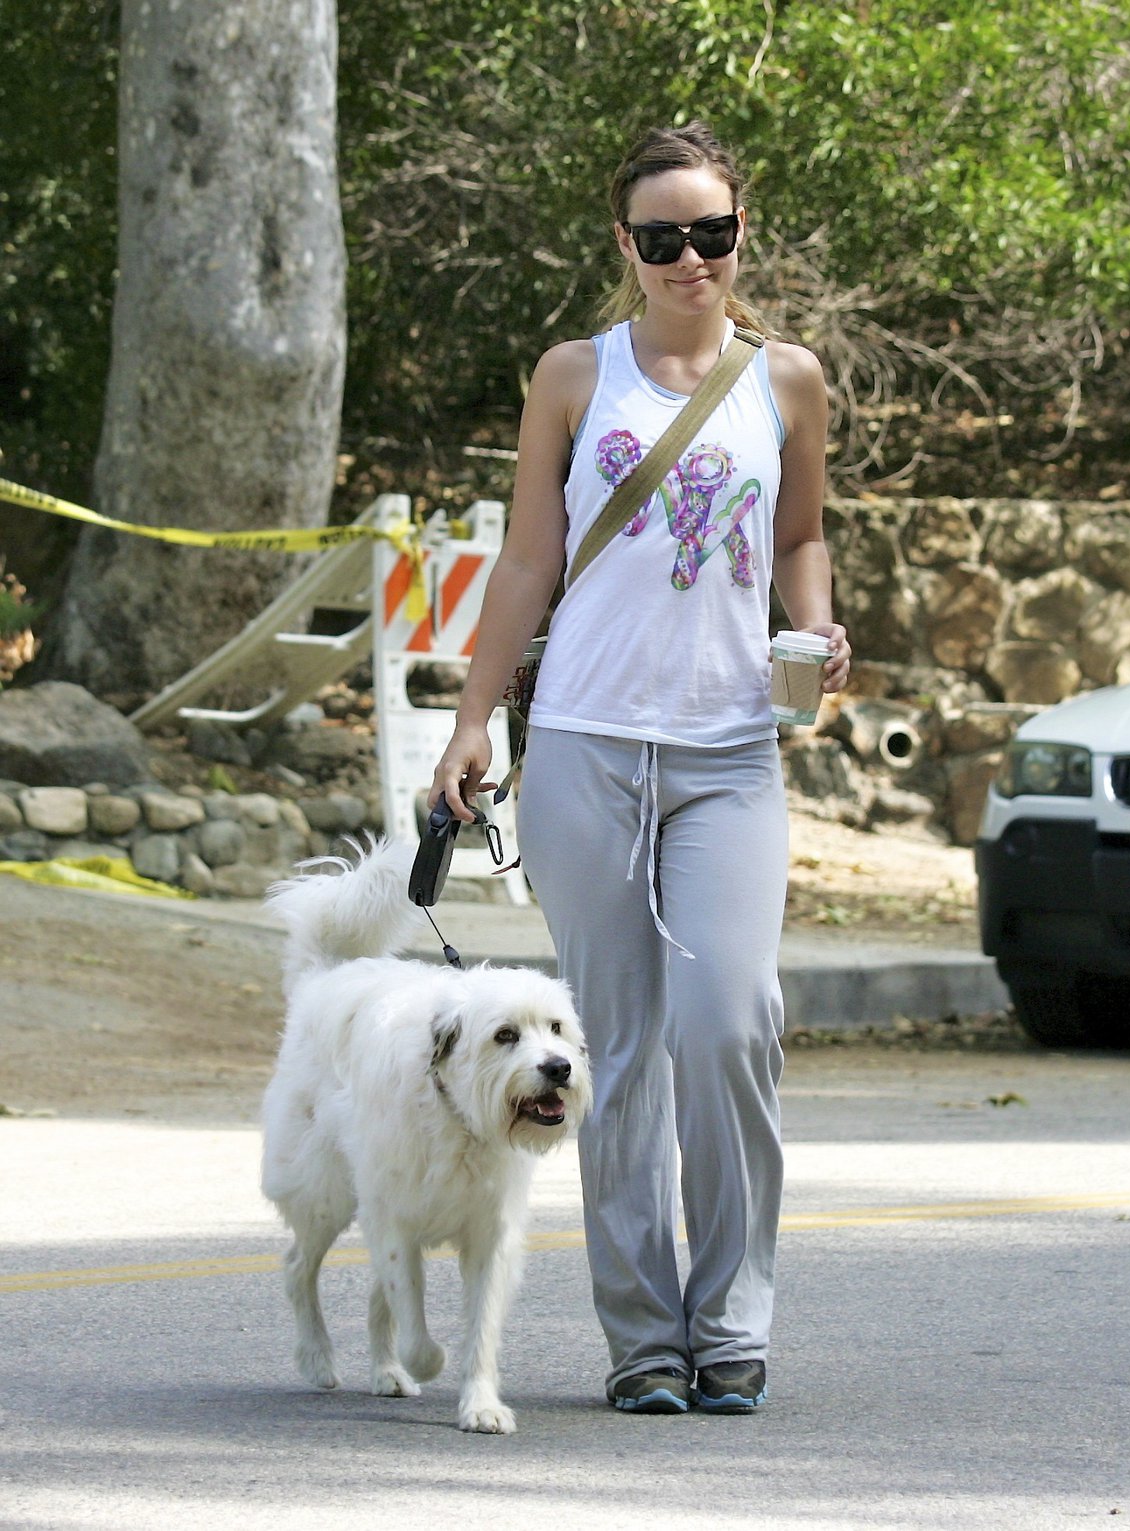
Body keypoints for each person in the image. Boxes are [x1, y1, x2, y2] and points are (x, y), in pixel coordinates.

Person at [430, 121, 851, 1415]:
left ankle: (729, 1323)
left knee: (731, 1027)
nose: (688, 258)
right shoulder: (572, 374)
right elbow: (525, 559)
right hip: (586, 749)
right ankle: (642, 1343)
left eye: (708, 233)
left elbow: (800, 536)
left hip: (729, 751)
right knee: (609, 1049)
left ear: (739, 233)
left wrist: (817, 626)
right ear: (625, 244)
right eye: (660, 236)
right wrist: (471, 723)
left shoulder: (788, 380)